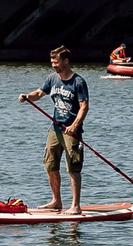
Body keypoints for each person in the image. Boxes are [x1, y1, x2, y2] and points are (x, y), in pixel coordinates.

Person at [20, 44, 90, 212]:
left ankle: (75, 206)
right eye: (52, 62)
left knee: (73, 168)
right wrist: (27, 96)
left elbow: (84, 106)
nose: (53, 65)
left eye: (56, 62)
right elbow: (39, 93)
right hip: (55, 129)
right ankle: (56, 201)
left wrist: (74, 126)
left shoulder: (78, 82)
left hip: (71, 131)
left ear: (66, 61)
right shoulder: (52, 79)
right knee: (50, 165)